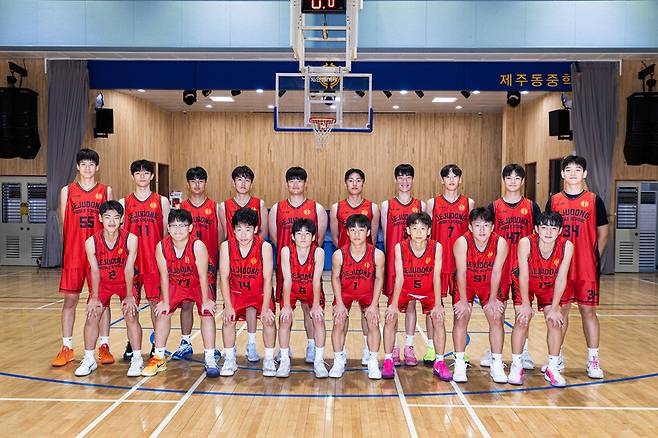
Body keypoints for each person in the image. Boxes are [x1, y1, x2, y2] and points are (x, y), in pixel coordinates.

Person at [546, 155, 609, 379]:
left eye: (578, 169)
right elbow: (546, 232)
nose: (573, 173)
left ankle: (593, 360)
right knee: (560, 311)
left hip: (585, 266)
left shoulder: (594, 200)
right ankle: (557, 357)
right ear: (563, 174)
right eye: (569, 169)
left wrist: (593, 257)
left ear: (585, 173)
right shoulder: (554, 201)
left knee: (587, 311)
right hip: (560, 266)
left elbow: (603, 233)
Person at [53, 148, 115, 367]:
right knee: (70, 300)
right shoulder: (67, 191)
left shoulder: (105, 190)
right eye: (84, 164)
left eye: (91, 164)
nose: (88, 168)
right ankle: (67, 347)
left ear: (97, 167)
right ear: (78, 167)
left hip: (99, 254)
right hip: (74, 253)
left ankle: (104, 346)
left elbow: (111, 223)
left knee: (102, 301)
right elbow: (65, 224)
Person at [142, 209, 219, 378]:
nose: (178, 230)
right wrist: (165, 301)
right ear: (168, 228)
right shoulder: (161, 247)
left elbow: (203, 276)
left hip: (198, 283)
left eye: (182, 226)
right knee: (163, 313)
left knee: (207, 313)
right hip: (175, 282)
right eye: (174, 226)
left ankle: (210, 357)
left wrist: (206, 300)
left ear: (190, 227)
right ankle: (158, 357)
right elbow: (164, 275)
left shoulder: (197, 246)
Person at [480, 164, 541, 370]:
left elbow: (539, 236)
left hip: (524, 266)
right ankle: (493, 350)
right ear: (503, 180)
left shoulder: (531, 207)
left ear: (522, 181)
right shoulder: (494, 207)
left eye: (517, 178)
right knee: (497, 311)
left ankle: (523, 351)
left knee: (522, 312)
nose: (513, 182)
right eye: (509, 178)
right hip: (500, 265)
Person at [381, 212, 452, 381]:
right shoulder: (400, 247)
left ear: (429, 231)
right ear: (408, 230)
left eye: (422, 228)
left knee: (438, 319)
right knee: (390, 317)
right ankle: (388, 360)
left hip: (428, 290)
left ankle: (439, 362)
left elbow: (436, 276)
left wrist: (438, 304)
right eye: (414, 228)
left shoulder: (437, 247)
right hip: (405, 288)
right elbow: (399, 277)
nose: (419, 232)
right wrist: (393, 304)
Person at [75, 201, 142, 377]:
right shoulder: (91, 242)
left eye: (116, 217)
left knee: (131, 314)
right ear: (100, 219)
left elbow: (129, 269)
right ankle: (89, 359)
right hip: (103, 283)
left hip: (125, 282)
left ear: (122, 220)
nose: (112, 221)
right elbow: (94, 271)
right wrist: (95, 297)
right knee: (92, 314)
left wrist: (129, 296)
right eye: (107, 217)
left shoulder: (131, 239)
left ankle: (137, 359)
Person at [268, 166, 327, 363]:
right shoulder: (277, 209)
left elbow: (318, 240)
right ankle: (285, 349)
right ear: (286, 184)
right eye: (291, 180)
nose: (295, 184)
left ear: (305, 183)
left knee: (310, 309)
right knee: (285, 310)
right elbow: (275, 238)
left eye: (299, 180)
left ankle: (311, 346)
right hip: (286, 267)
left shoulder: (317, 209)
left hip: (309, 268)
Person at [510, 211, 574, 387]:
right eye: (544, 227)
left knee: (554, 321)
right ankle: (516, 365)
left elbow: (561, 278)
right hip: (526, 282)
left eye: (553, 228)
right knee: (522, 319)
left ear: (559, 231)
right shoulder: (526, 243)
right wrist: (525, 304)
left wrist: (554, 308)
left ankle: (552, 367)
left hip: (551, 284)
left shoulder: (567, 246)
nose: (548, 232)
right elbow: (523, 275)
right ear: (537, 229)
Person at [120, 160, 170, 360]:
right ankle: (132, 342)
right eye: (138, 173)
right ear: (133, 176)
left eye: (146, 173)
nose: (142, 176)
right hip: (131, 262)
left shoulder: (162, 201)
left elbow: (166, 234)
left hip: (153, 262)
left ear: (152, 176)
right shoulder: (124, 203)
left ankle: (157, 344)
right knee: (130, 306)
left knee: (155, 305)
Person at [452, 207, 509, 384]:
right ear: (470, 227)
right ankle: (459, 362)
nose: (482, 230)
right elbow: (461, 272)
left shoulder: (500, 243)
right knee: (461, 316)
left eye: (486, 225)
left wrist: (492, 300)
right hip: (466, 283)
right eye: (477, 225)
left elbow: (497, 272)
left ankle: (496, 363)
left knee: (496, 316)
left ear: (493, 227)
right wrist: (463, 301)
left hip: (488, 284)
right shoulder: (462, 242)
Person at [329, 168, 380, 365]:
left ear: (363, 183)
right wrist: (346, 255)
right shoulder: (337, 207)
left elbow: (372, 236)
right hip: (345, 265)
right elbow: (335, 237)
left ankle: (368, 350)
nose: (355, 184)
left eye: (358, 180)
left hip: (366, 265)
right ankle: (340, 354)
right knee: (341, 313)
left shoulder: (372, 207)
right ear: (346, 184)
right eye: (351, 180)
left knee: (369, 314)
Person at [218, 165, 268, 363]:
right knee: (231, 306)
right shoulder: (224, 206)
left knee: (252, 305)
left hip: (253, 258)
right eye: (239, 179)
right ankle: (230, 352)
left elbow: (262, 232)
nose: (243, 183)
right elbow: (224, 233)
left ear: (251, 183)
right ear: (233, 182)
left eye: (247, 179)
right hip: (234, 258)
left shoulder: (259, 204)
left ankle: (252, 345)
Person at [425, 164, 474, 365]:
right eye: (447, 176)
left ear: (460, 179)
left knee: (461, 308)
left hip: (460, 265)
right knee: (433, 307)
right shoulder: (432, 203)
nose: (451, 180)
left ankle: (459, 350)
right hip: (438, 262)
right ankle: (431, 348)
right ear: (442, 180)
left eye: (455, 176)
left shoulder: (468, 203)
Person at [219, 207, 277, 377]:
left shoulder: (264, 247)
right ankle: (230, 359)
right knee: (228, 319)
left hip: (259, 292)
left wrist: (265, 309)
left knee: (269, 320)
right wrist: (228, 306)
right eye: (239, 229)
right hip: (236, 292)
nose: (243, 234)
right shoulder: (226, 247)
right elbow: (224, 278)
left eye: (247, 229)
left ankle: (268, 359)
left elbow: (268, 279)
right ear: (233, 230)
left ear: (255, 229)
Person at [172, 167, 221, 361]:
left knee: (208, 306)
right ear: (188, 184)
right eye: (193, 181)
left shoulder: (215, 207)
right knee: (186, 305)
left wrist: (215, 259)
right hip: (185, 266)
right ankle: (185, 342)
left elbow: (221, 236)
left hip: (208, 267)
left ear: (205, 183)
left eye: (201, 180)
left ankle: (211, 347)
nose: (197, 184)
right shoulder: (181, 208)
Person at [330, 214, 385, 379]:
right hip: (345, 292)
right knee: (339, 320)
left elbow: (379, 278)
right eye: (353, 230)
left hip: (367, 292)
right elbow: (335, 278)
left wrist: (374, 304)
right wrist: (339, 304)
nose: (356, 234)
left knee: (373, 321)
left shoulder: (377, 254)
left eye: (361, 230)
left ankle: (373, 361)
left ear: (368, 232)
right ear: (347, 232)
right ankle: (338, 360)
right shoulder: (339, 255)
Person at [380, 164, 425, 366]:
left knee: (411, 304)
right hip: (394, 262)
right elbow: (385, 234)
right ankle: (395, 345)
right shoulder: (386, 206)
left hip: (415, 264)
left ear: (413, 180)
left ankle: (409, 346)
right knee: (394, 304)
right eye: (401, 177)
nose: (404, 181)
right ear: (395, 180)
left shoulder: (420, 205)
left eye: (408, 177)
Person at [276, 219, 327, 378]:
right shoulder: (286, 251)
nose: (303, 237)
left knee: (318, 319)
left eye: (307, 234)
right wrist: (286, 306)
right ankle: (284, 360)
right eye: (299, 233)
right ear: (293, 236)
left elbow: (316, 280)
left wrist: (316, 305)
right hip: (292, 288)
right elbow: (287, 279)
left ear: (313, 237)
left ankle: (318, 360)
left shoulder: (318, 252)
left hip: (312, 288)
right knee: (284, 319)